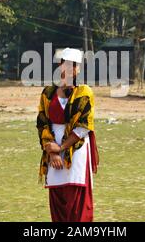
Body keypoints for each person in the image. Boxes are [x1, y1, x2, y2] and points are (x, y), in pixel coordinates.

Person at [36, 48, 99, 222]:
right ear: (60, 65)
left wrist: (62, 147)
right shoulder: (48, 93)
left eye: (74, 65)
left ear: (79, 69)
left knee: (76, 199)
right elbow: (42, 122)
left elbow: (83, 126)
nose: (70, 69)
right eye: (66, 63)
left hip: (76, 150)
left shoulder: (84, 92)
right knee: (58, 198)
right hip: (52, 148)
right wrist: (52, 151)